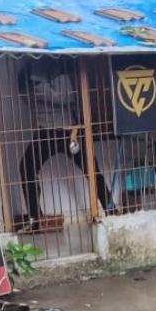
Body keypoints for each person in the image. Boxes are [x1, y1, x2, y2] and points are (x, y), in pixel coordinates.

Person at [17, 62, 110, 231]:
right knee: (26, 168)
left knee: (92, 169)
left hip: (69, 131)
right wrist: (41, 93)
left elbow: (68, 97)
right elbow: (33, 94)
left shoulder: (66, 68)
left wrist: (40, 92)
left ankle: (111, 210)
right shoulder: (30, 68)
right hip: (45, 132)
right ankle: (35, 218)